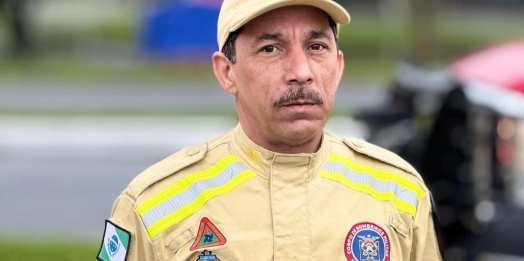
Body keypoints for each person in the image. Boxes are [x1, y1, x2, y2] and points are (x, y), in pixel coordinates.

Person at [96, 0, 442, 260]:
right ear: (226, 72)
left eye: (316, 47)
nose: (301, 71)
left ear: (337, 67)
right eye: (271, 48)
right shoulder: (153, 206)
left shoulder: (399, 192)